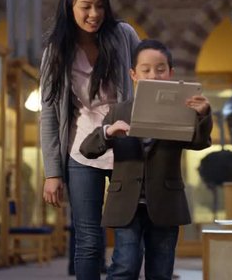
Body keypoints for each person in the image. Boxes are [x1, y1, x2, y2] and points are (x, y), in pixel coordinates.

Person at [80, 39, 213, 280]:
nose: (154, 74)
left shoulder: (182, 110)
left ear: (171, 73)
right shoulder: (118, 111)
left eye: (161, 69)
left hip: (165, 202)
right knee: (124, 266)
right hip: (126, 204)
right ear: (134, 74)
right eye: (146, 69)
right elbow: (88, 150)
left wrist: (203, 116)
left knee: (161, 271)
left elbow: (199, 142)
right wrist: (108, 132)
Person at [40, 0, 140, 280]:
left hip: (125, 146)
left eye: (99, 6)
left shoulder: (124, 35)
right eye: (86, 6)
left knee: (129, 235)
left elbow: (146, 78)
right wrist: (53, 172)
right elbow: (48, 113)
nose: (94, 14)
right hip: (82, 151)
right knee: (87, 241)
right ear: (70, 5)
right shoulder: (56, 51)